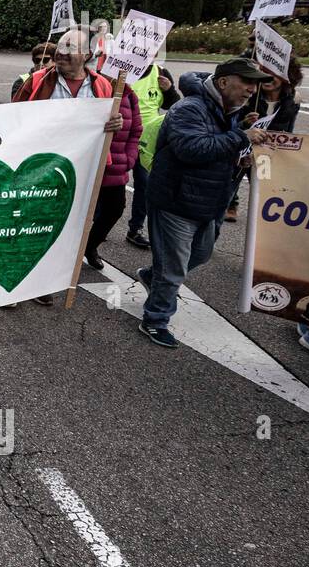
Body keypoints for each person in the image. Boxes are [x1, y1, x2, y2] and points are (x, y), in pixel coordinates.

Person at [137, 60, 270, 348]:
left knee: (200, 254)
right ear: (223, 83)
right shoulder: (190, 108)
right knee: (173, 269)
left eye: (255, 83)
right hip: (176, 201)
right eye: (246, 82)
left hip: (206, 202)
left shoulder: (229, 111)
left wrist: (240, 155)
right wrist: (239, 136)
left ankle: (151, 275)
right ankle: (155, 319)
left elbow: (217, 147)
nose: (252, 89)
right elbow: (191, 148)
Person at [19, 29, 140, 270]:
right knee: (36, 223)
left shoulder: (102, 85)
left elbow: (110, 125)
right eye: (60, 46)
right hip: (42, 169)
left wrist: (115, 124)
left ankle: (47, 278)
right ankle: (27, 277)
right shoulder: (37, 81)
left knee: (68, 225)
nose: (61, 52)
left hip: (82, 170)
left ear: (86, 54)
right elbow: (14, 119)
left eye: (70, 48)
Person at [224, 60, 303, 221]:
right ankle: (230, 205)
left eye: (274, 74)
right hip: (243, 150)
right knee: (230, 185)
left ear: (286, 77)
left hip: (268, 152)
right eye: (264, 72)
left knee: (266, 189)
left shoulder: (292, 99)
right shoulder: (249, 95)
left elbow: (289, 129)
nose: (268, 77)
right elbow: (228, 127)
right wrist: (245, 124)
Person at [123, 60, 180, 248]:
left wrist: (169, 89)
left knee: (144, 184)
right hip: (120, 137)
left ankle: (135, 229)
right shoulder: (122, 69)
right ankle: (98, 223)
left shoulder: (161, 72)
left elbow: (175, 105)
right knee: (108, 186)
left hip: (147, 141)